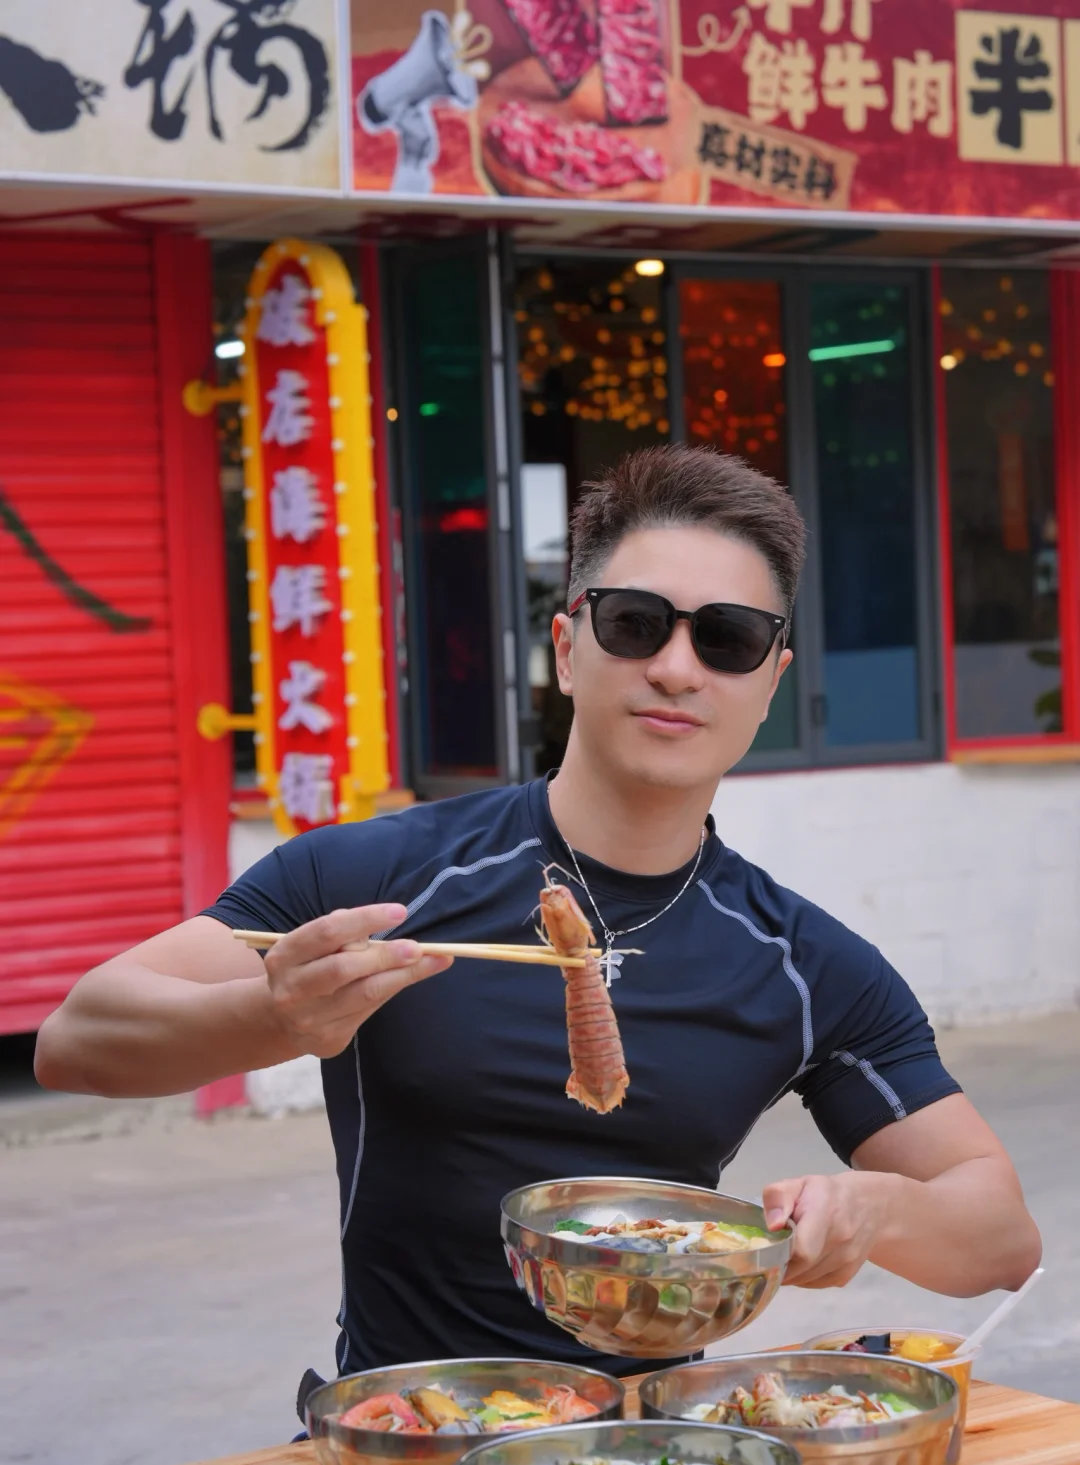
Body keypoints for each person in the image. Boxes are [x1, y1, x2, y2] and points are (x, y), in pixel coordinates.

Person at [35, 445, 1040, 1383]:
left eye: (728, 638)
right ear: (566, 648)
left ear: (771, 681)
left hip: (660, 1464)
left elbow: (1000, 1236)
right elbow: (75, 1039)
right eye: (636, 623)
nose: (677, 668)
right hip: (405, 1441)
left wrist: (875, 1209)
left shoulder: (803, 963)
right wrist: (270, 1016)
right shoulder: (384, 875)